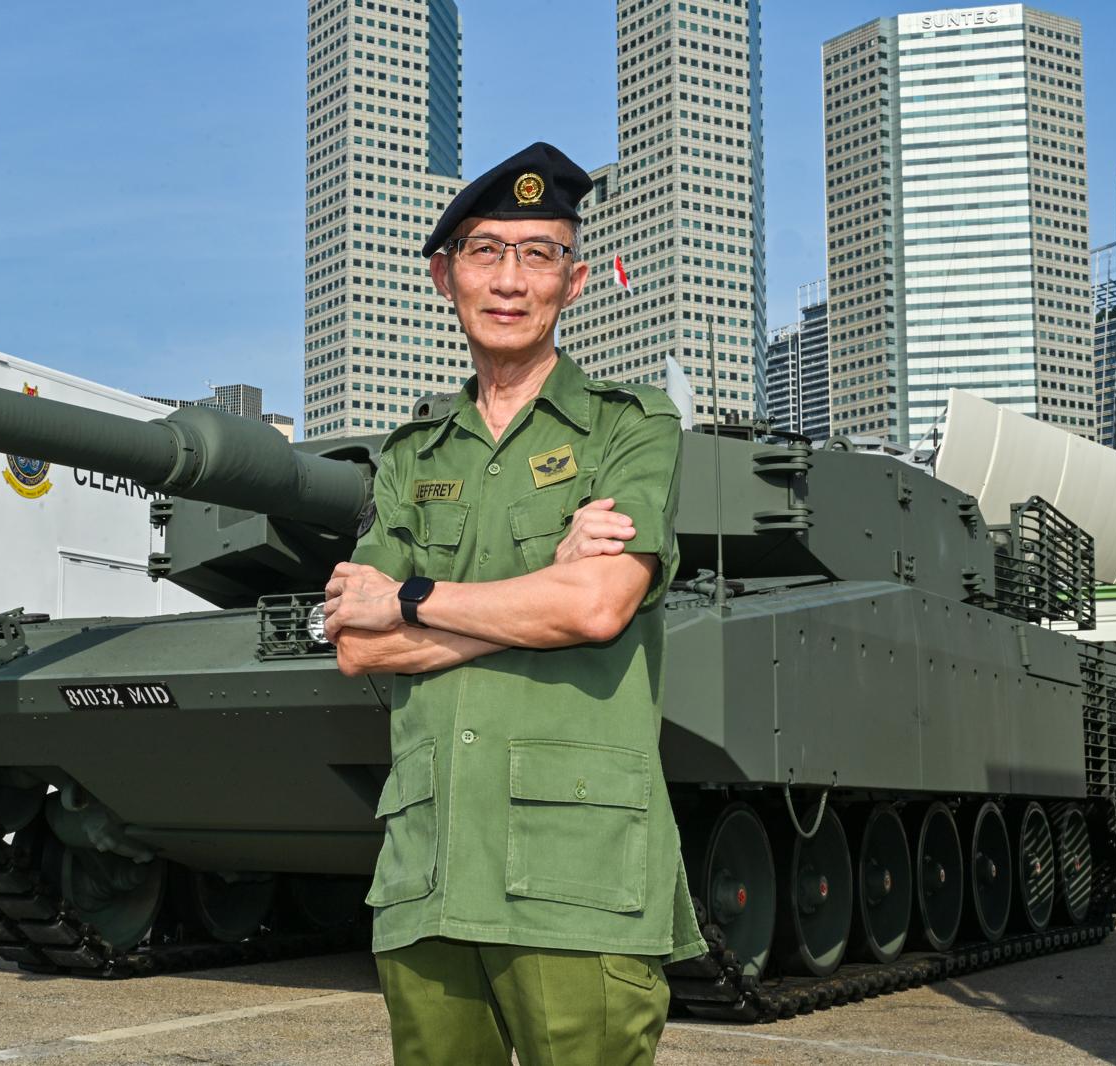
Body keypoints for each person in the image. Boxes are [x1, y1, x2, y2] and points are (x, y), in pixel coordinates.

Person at [322, 142, 706, 1066]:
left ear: (574, 281)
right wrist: (537, 595)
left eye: (539, 254)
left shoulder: (629, 425)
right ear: (443, 275)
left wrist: (411, 597)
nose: (509, 279)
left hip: (576, 871)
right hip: (429, 868)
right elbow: (357, 648)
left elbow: (596, 609)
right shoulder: (411, 454)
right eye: (486, 250)